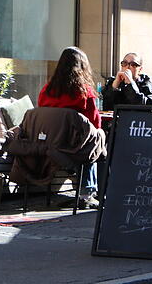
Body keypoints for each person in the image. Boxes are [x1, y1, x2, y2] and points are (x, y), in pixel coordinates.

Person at [36, 47, 101, 209]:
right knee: (95, 142)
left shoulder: (47, 90)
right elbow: (95, 122)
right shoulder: (83, 92)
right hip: (74, 148)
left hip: (50, 146)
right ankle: (87, 193)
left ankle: (84, 190)